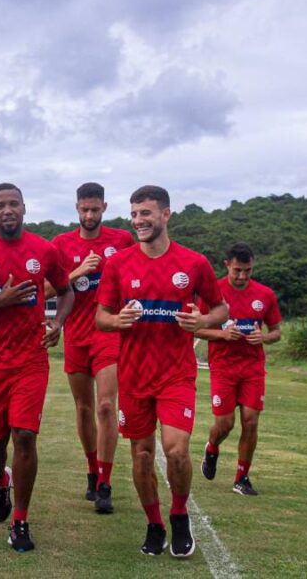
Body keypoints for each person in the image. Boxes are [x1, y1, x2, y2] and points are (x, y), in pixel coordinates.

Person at [96, 185, 228, 558]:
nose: (138, 221)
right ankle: (154, 523)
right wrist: (116, 319)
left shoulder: (194, 263)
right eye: (134, 214)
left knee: (176, 451)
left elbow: (220, 310)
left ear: (166, 215)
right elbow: (100, 317)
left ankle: (179, 514)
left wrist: (202, 318)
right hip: (134, 376)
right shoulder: (118, 264)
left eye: (146, 214)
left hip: (176, 374)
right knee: (140, 455)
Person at [0, 183, 74, 552]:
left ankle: (20, 521)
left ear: (24, 208)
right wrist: (1, 301)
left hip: (31, 361)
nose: (7, 210)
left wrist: (58, 323)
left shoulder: (44, 250)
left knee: (25, 436)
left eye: (13, 204)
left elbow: (67, 290)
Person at [50, 182, 133, 512]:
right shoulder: (60, 245)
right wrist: (75, 272)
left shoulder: (121, 241)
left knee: (105, 407)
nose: (89, 214)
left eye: (95, 209)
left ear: (104, 208)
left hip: (108, 333)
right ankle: (91, 469)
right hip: (77, 336)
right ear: (76, 209)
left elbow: (135, 274)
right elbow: (44, 288)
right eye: (84, 209)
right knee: (84, 409)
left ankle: (105, 482)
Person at [196, 242, 282, 496]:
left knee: (251, 421)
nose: (242, 276)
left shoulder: (265, 295)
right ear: (227, 266)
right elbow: (195, 327)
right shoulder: (213, 292)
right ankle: (212, 448)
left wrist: (263, 338)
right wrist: (221, 334)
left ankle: (242, 477)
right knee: (225, 424)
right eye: (237, 271)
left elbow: (276, 332)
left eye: (247, 270)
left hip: (253, 368)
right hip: (223, 367)